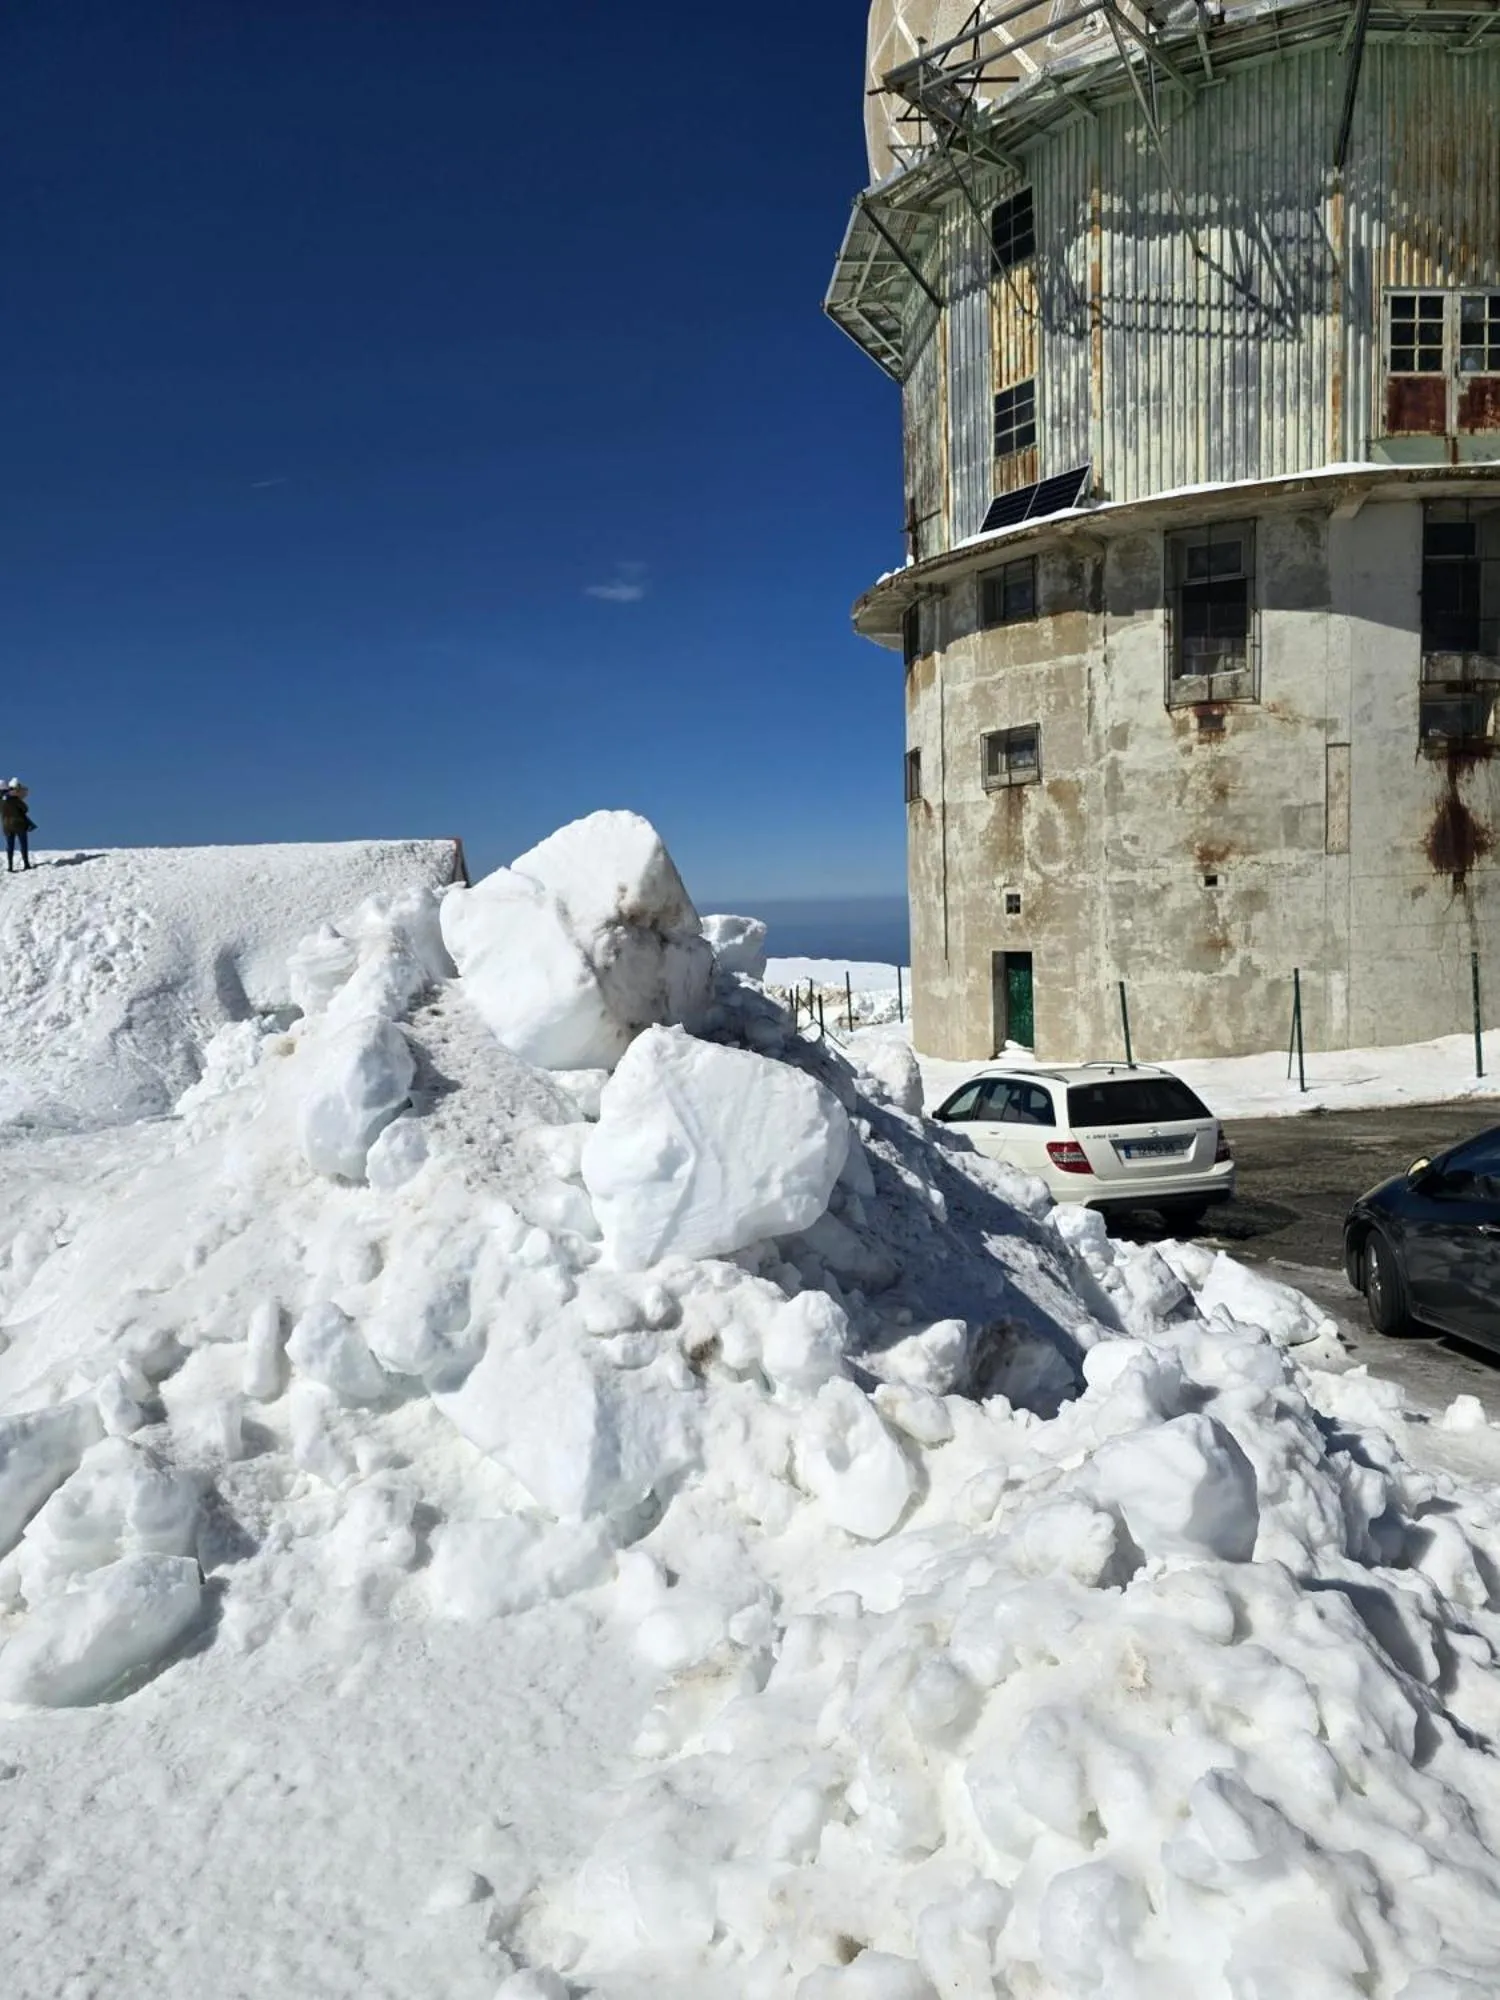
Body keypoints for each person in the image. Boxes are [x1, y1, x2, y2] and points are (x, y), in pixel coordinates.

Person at [0, 780, 35, 872]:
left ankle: (10, 866)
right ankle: (26, 864)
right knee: (23, 844)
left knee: (9, 846)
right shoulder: (14, 799)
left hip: (6, 825)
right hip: (19, 824)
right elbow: (25, 809)